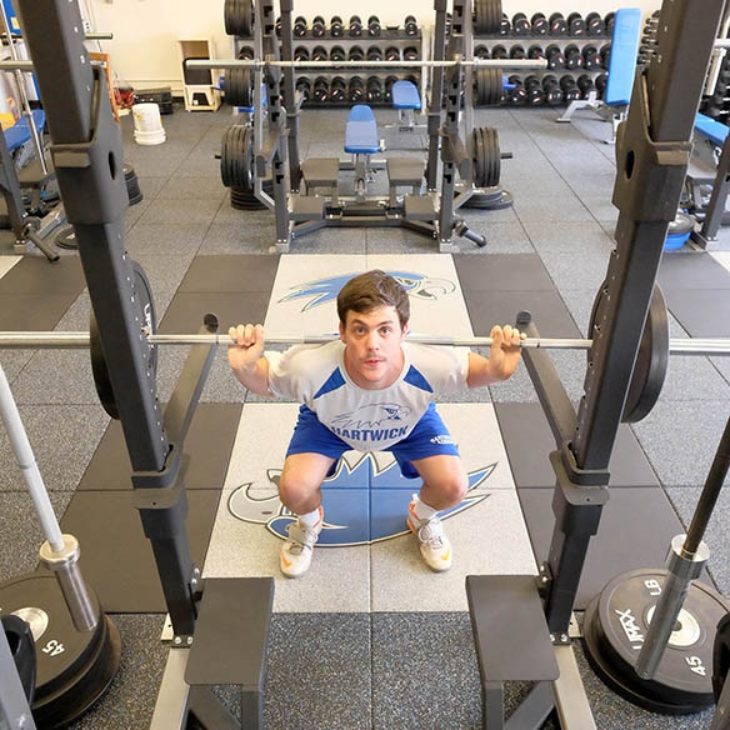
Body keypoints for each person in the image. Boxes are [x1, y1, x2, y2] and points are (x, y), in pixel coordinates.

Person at [228, 270, 522, 578]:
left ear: (404, 330)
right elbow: (264, 380)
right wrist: (245, 368)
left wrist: (497, 371)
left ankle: (421, 516)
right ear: (341, 331)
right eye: (359, 330)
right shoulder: (309, 366)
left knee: (453, 487)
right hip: (330, 421)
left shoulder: (431, 361)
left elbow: (477, 372)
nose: (372, 345)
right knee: (293, 490)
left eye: (385, 330)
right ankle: (308, 522)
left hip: (408, 420)